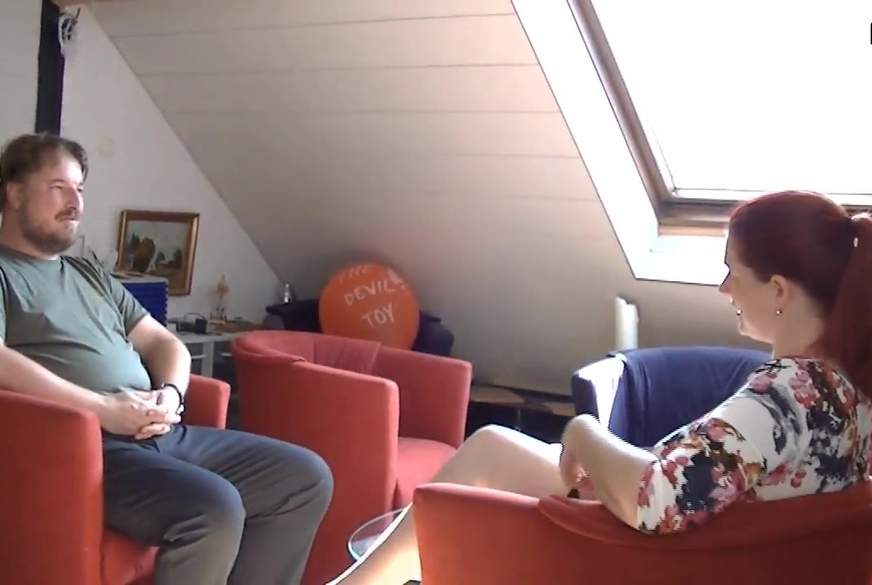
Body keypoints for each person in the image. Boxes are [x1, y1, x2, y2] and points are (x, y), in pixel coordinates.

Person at [328, 190, 872, 584]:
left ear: (778, 290)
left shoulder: (781, 398)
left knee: (488, 451)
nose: (724, 288)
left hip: (648, 557)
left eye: (733, 272)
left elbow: (657, 503)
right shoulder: (848, 392)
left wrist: (583, 432)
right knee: (498, 454)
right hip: (710, 549)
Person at [0, 133, 333, 585]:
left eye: (80, 189)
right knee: (212, 508)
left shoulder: (88, 273)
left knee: (304, 478)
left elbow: (164, 343)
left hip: (157, 431)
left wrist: (171, 395)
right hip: (85, 448)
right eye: (58, 188)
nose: (75, 203)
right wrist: (103, 410)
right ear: (15, 193)